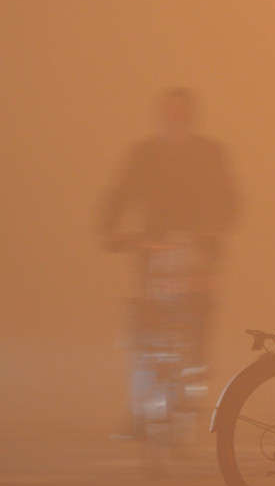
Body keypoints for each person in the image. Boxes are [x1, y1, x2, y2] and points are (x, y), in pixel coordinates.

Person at [98, 87, 239, 437]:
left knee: (198, 313)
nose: (175, 119)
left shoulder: (210, 154)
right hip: (153, 249)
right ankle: (138, 404)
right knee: (144, 328)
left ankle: (192, 377)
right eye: (169, 113)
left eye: (181, 113)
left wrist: (213, 229)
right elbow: (120, 192)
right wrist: (109, 229)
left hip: (197, 249)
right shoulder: (144, 154)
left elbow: (231, 200)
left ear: (191, 116)